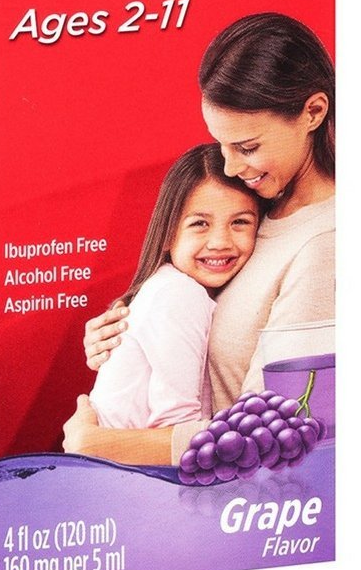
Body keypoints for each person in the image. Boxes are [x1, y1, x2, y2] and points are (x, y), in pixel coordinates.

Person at [63, 12, 335, 465]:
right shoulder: (259, 204)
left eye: (247, 147)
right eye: (222, 144)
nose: (230, 167)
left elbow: (275, 434)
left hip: (235, 499)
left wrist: (96, 444)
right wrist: (130, 333)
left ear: (313, 112)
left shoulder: (324, 244)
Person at [89, 144, 262, 430]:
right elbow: (175, 422)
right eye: (200, 224)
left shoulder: (177, 288)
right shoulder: (179, 294)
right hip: (123, 456)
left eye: (240, 222)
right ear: (168, 234)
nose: (220, 242)